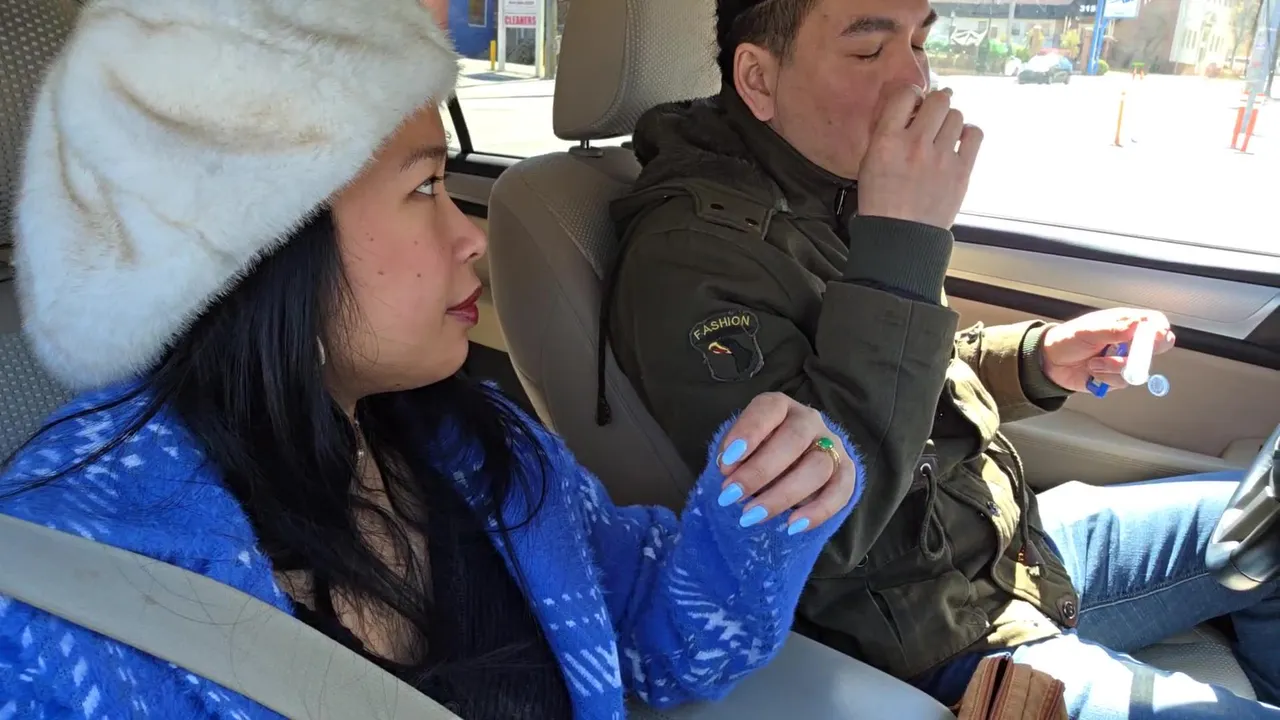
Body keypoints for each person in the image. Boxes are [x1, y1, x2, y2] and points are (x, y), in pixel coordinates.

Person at [0, 1, 864, 718]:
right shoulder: (59, 604)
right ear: (263, 239)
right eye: (424, 187)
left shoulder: (483, 448)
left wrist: (763, 509)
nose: (471, 237)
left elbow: (654, 643)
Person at [602, 0, 1280, 716]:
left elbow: (913, 369)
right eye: (869, 51)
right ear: (758, 79)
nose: (915, 82)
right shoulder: (690, 257)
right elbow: (817, 529)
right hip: (930, 636)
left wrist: (1037, 358)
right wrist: (903, 244)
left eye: (920, 43)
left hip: (1007, 551)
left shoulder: (823, 187)